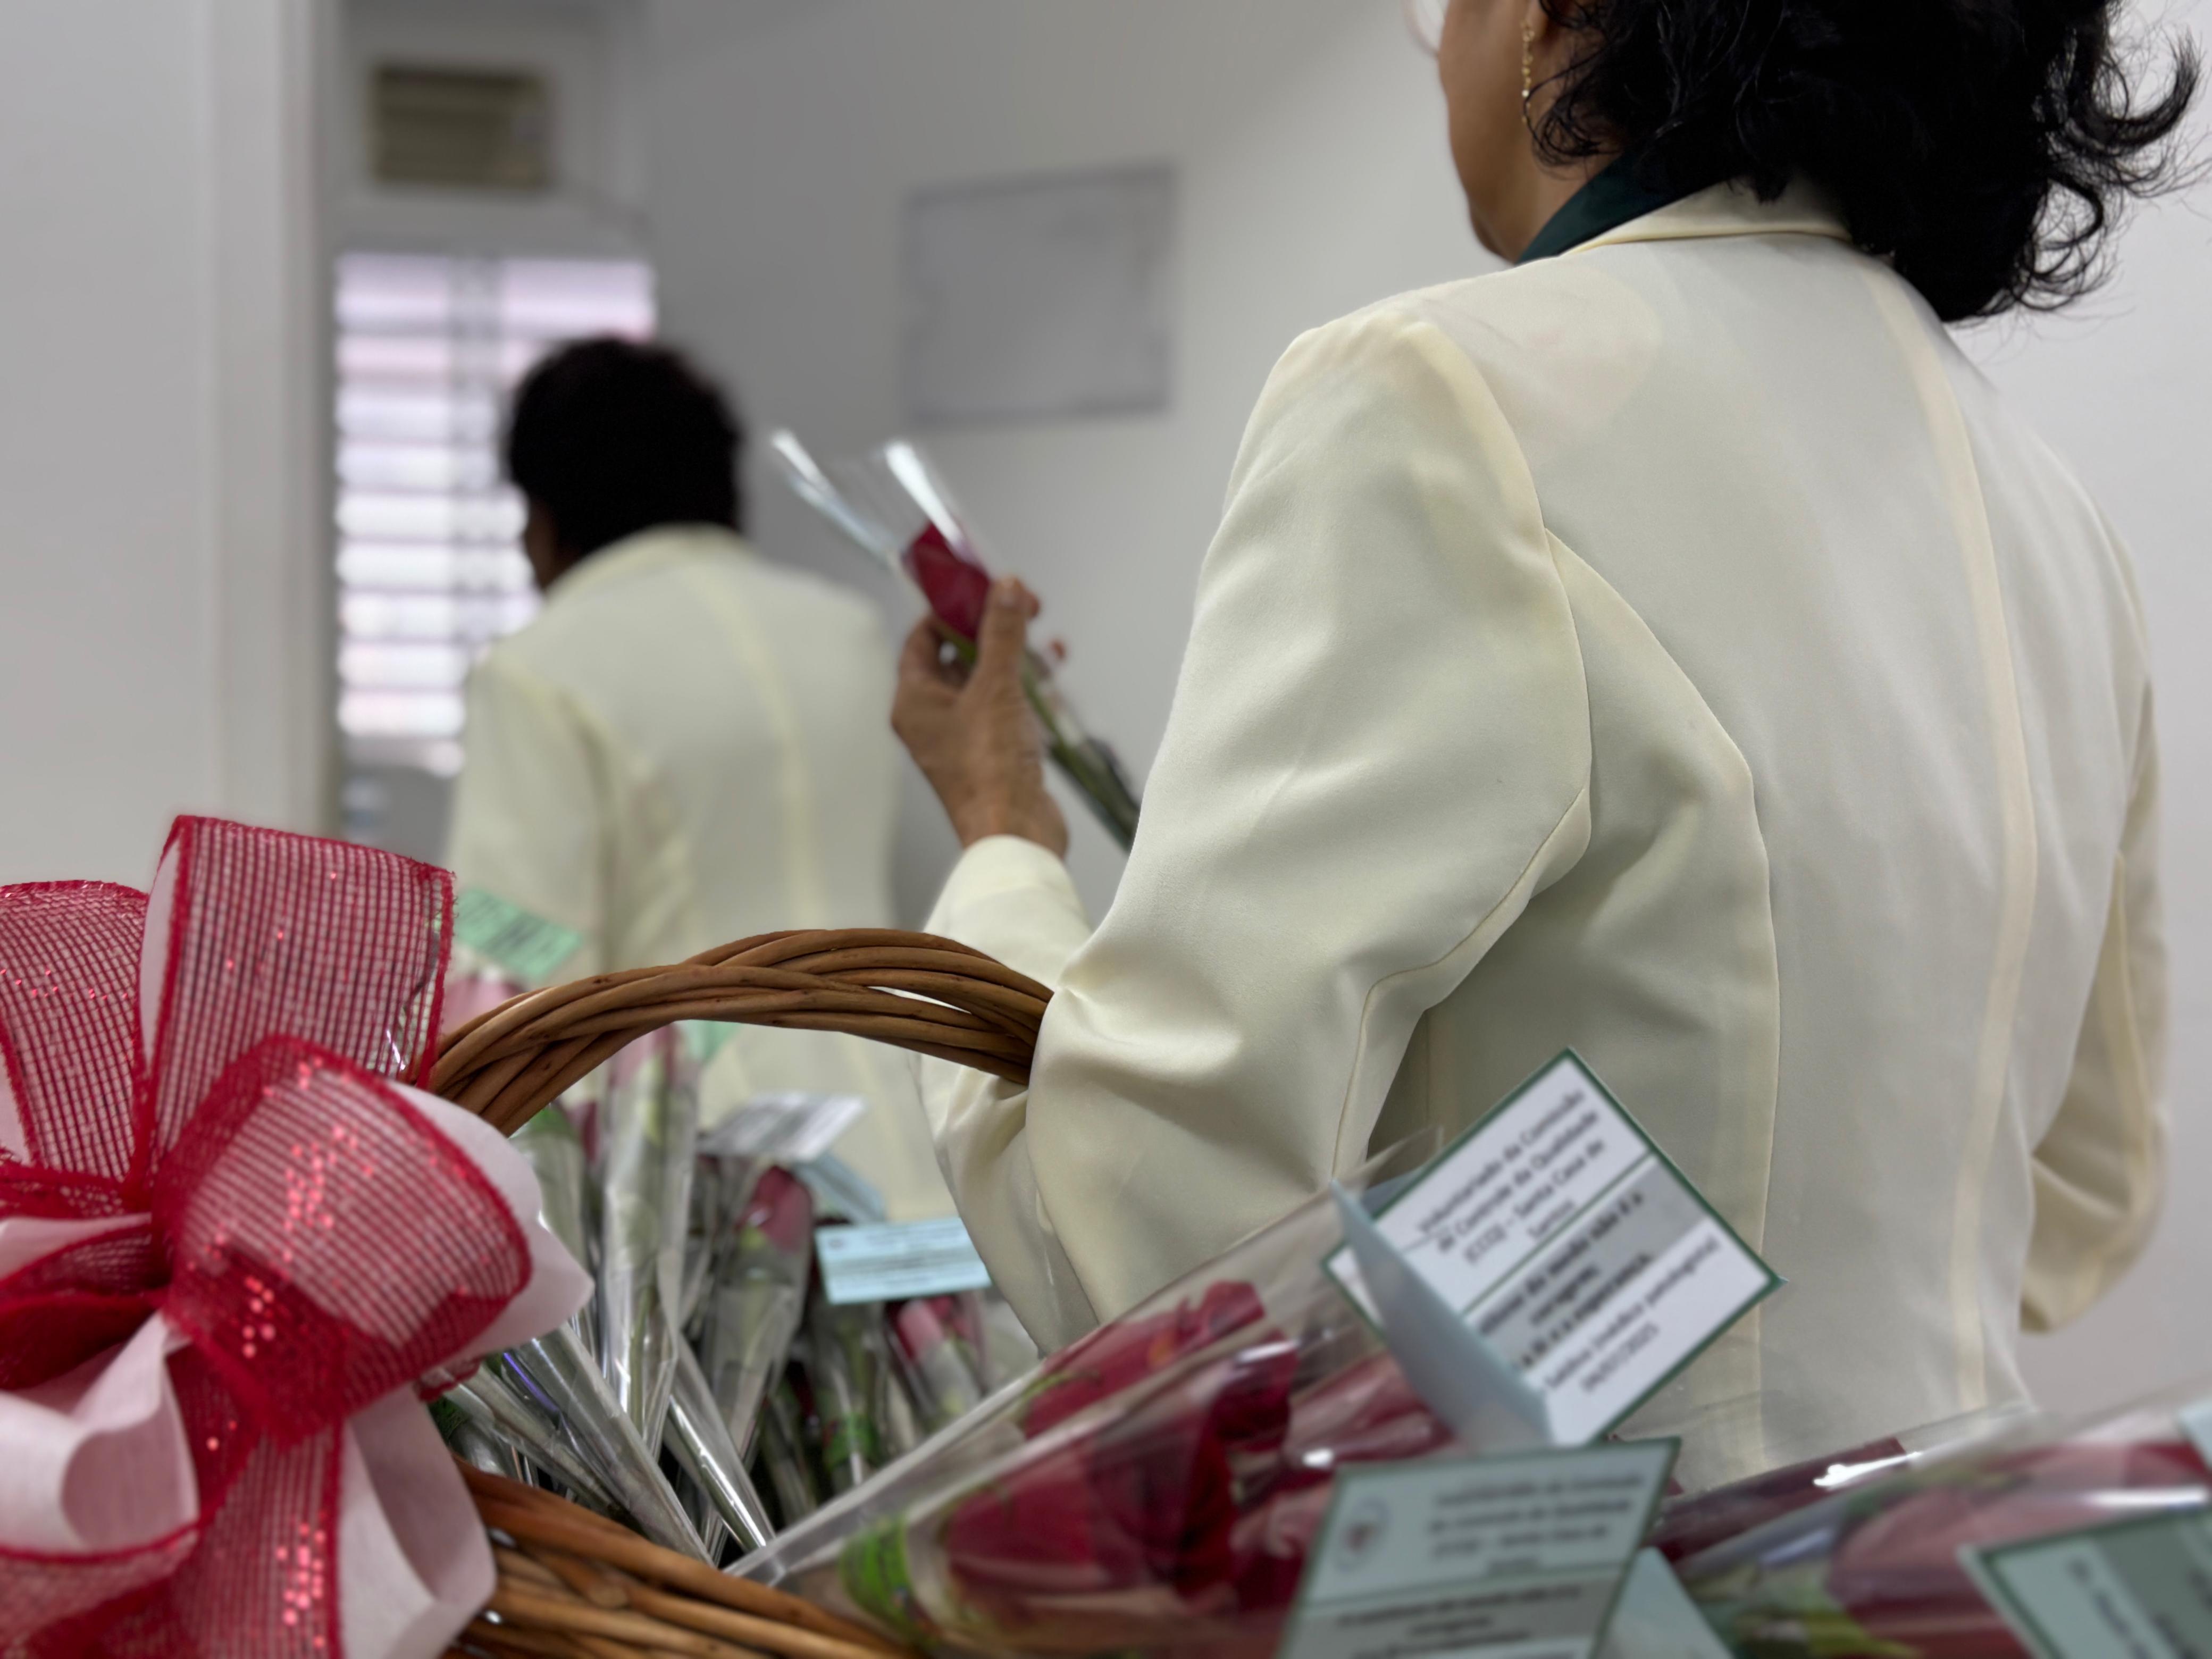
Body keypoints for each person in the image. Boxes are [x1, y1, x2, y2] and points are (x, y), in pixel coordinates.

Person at [891, 0, 2194, 1487]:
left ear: (1551, 16)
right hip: (1941, 1558)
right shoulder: (2050, 511)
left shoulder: (1446, 393)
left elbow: (1138, 1232)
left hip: (1573, 1570)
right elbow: (2084, 1200)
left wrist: (999, 837)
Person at [447, 337, 949, 1217]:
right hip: (915, 1133)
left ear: (548, 510)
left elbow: (513, 984)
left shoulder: (539, 672)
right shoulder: (851, 636)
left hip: (708, 1189)